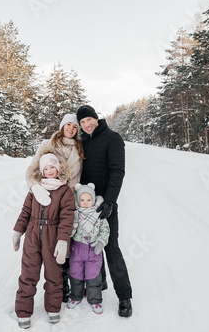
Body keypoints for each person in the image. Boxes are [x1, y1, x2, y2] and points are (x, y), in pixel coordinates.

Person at [76, 104, 133, 317]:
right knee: (89, 243)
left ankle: (125, 297)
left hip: (106, 205)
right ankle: (100, 282)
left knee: (110, 247)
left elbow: (118, 172)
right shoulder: (82, 142)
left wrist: (109, 201)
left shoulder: (113, 138)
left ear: (96, 118)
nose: (87, 124)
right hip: (85, 205)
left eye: (89, 119)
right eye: (82, 122)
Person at [25, 113, 84, 302]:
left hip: (68, 199)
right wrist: (36, 190)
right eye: (68, 125)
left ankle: (63, 283)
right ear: (62, 126)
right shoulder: (47, 145)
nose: (71, 129)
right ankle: (45, 285)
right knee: (48, 243)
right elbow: (31, 171)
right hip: (46, 201)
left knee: (65, 240)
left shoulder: (80, 148)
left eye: (74, 127)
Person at [12, 153, 75, 329]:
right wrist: (18, 231)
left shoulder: (64, 191)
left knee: (54, 274)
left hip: (53, 237)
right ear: (41, 171)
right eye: (45, 168)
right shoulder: (35, 189)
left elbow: (67, 217)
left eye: (52, 167)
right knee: (28, 274)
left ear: (58, 169)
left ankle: (53, 308)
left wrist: (63, 241)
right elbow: (25, 212)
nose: (49, 171)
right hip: (32, 236)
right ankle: (23, 312)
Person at [67, 183, 110, 314]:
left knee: (93, 276)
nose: (85, 203)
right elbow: (69, 231)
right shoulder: (75, 215)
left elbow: (105, 230)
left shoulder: (99, 215)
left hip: (93, 250)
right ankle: (75, 296)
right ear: (78, 200)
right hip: (77, 250)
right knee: (75, 274)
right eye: (82, 200)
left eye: (88, 200)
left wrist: (101, 242)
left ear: (93, 200)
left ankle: (95, 300)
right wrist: (72, 227)